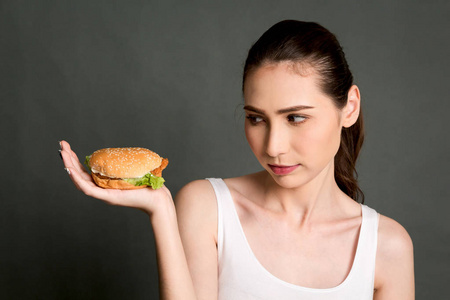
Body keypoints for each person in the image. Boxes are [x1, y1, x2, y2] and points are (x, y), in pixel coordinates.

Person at [60, 20, 414, 299]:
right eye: (257, 118)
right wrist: (162, 212)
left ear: (349, 107)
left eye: (296, 117)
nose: (273, 146)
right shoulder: (207, 208)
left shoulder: (387, 247)